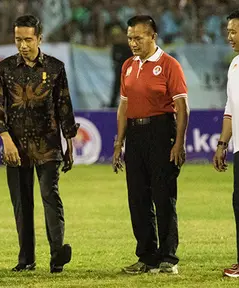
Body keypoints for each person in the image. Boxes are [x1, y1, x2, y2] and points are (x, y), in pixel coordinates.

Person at [0, 14, 78, 273]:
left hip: (48, 144)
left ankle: (57, 255)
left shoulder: (55, 68)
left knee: (50, 195)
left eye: (28, 39)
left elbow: (64, 107)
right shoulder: (3, 69)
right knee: (22, 202)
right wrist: (6, 141)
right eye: (18, 39)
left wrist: (69, 142)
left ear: (40, 38)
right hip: (15, 147)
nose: (23, 45)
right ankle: (26, 259)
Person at [112, 15, 189, 275]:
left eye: (138, 38)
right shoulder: (128, 66)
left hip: (161, 131)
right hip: (135, 135)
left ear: (153, 36)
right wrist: (118, 142)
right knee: (138, 199)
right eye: (130, 37)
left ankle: (168, 258)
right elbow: (123, 106)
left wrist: (179, 142)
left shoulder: (169, 65)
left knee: (163, 197)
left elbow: (181, 107)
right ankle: (147, 257)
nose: (133, 43)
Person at [213, 9, 239, 278]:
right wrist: (222, 144)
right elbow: (230, 108)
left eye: (234, 31)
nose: (229, 36)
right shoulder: (234, 65)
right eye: (228, 31)